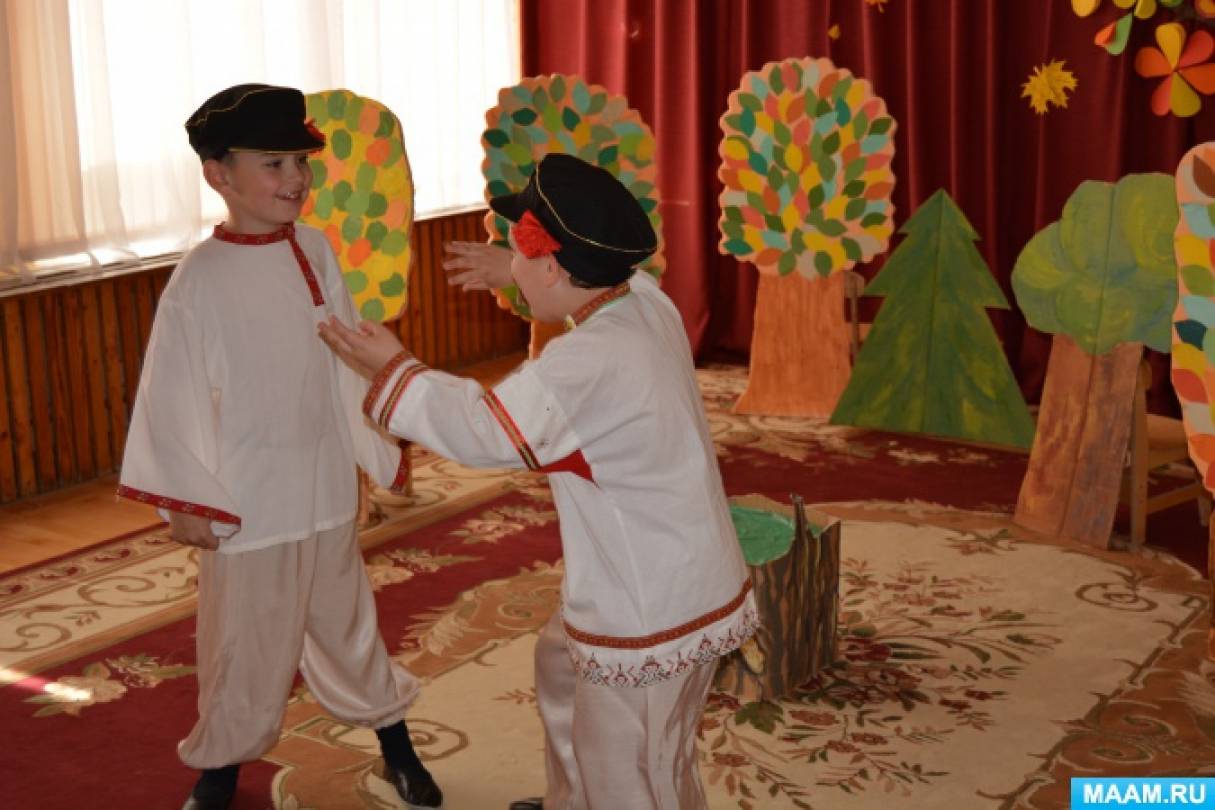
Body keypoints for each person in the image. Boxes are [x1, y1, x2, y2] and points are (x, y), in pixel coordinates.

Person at [319, 152, 758, 810]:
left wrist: (396, 369)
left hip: (646, 607)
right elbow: (582, 285)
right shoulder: (643, 301)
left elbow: (486, 429)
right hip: (679, 569)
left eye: (522, 254)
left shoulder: (584, 364)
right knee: (561, 663)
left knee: (634, 764)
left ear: (552, 266)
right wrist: (516, 270)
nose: (513, 265)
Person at [117, 84, 443, 810]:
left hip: (323, 487)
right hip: (248, 504)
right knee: (243, 643)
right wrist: (188, 497)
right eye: (274, 163)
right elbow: (170, 392)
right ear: (218, 174)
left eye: (301, 162)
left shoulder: (314, 249)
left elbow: (346, 356)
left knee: (348, 625)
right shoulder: (199, 278)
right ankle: (220, 770)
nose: (295, 178)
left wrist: (374, 445)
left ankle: (396, 745)